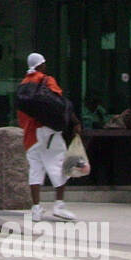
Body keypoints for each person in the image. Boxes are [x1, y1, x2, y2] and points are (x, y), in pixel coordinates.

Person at [16, 52, 80, 222]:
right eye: (44, 64)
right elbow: (60, 104)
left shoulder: (23, 85)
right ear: (40, 65)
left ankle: (36, 209)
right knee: (60, 165)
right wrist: (75, 122)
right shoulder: (46, 80)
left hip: (30, 136)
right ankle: (59, 206)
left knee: (35, 170)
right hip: (48, 132)